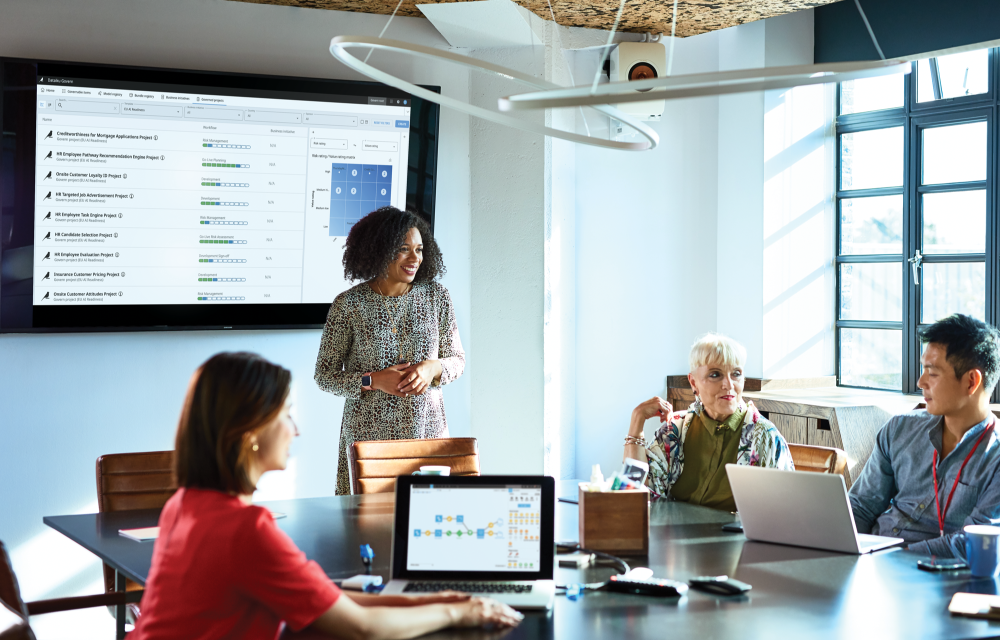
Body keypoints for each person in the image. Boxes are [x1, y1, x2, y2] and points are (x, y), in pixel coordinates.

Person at [130, 352, 521, 640]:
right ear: (250, 434)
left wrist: (438, 602)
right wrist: (457, 614)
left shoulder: (185, 505)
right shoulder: (245, 531)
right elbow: (361, 628)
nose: (295, 430)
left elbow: (327, 600)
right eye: (286, 415)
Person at [315, 207, 465, 495]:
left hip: (426, 434)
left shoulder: (437, 297)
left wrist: (433, 368)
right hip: (369, 443)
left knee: (425, 524)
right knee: (368, 529)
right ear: (380, 250)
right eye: (403, 249)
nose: (415, 258)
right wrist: (371, 380)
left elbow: (457, 361)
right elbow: (324, 375)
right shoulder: (349, 305)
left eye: (420, 250)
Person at [849, 314, 1000, 558]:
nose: (920, 382)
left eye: (932, 373)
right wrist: (840, 549)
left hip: (940, 575)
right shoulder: (899, 429)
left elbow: (974, 541)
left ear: (971, 381)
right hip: (870, 564)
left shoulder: (995, 456)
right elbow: (861, 507)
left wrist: (890, 557)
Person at [623, 333, 794, 509]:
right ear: (693, 382)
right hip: (672, 535)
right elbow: (632, 496)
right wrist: (637, 421)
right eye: (715, 374)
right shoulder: (674, 430)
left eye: (736, 374)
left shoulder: (765, 437)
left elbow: (783, 513)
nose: (728, 384)